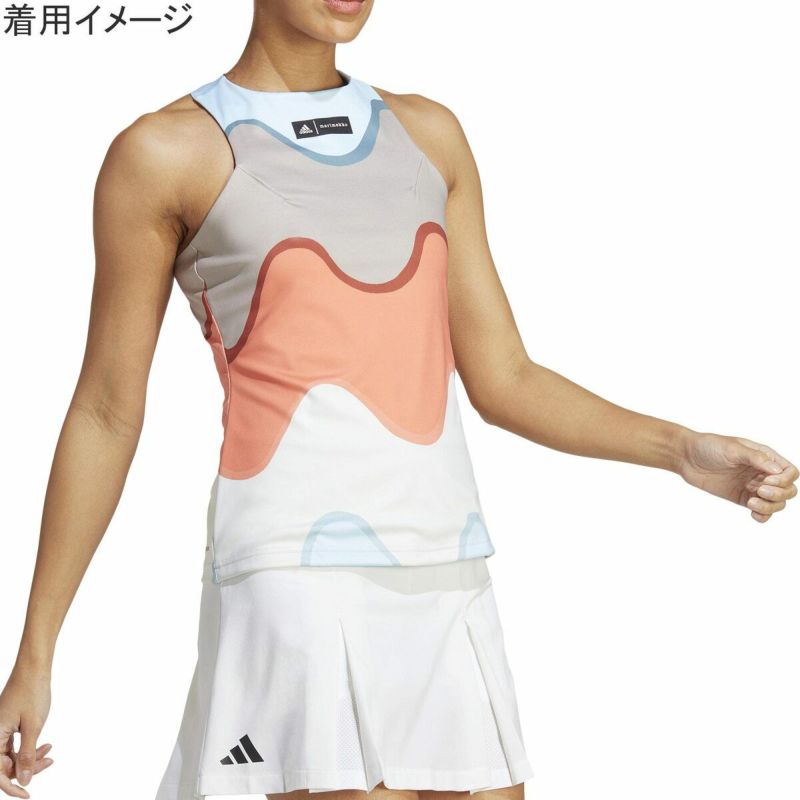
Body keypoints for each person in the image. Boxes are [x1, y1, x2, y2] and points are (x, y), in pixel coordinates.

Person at [1, 0, 797, 798]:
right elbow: (106, 410)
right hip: (294, 574)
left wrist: (680, 450)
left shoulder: (429, 135)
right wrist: (35, 656)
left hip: (447, 564)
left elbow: (506, 377)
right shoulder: (166, 151)